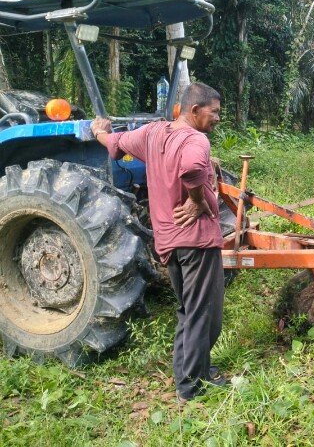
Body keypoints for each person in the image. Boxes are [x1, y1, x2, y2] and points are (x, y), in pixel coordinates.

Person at [91, 82, 225, 402]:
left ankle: (192, 372)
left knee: (188, 310)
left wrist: (99, 132)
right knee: (203, 313)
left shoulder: (152, 133)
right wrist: (196, 198)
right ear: (195, 110)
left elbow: (115, 143)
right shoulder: (195, 139)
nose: (218, 118)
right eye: (215, 112)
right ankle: (191, 387)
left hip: (169, 241)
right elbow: (191, 167)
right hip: (195, 240)